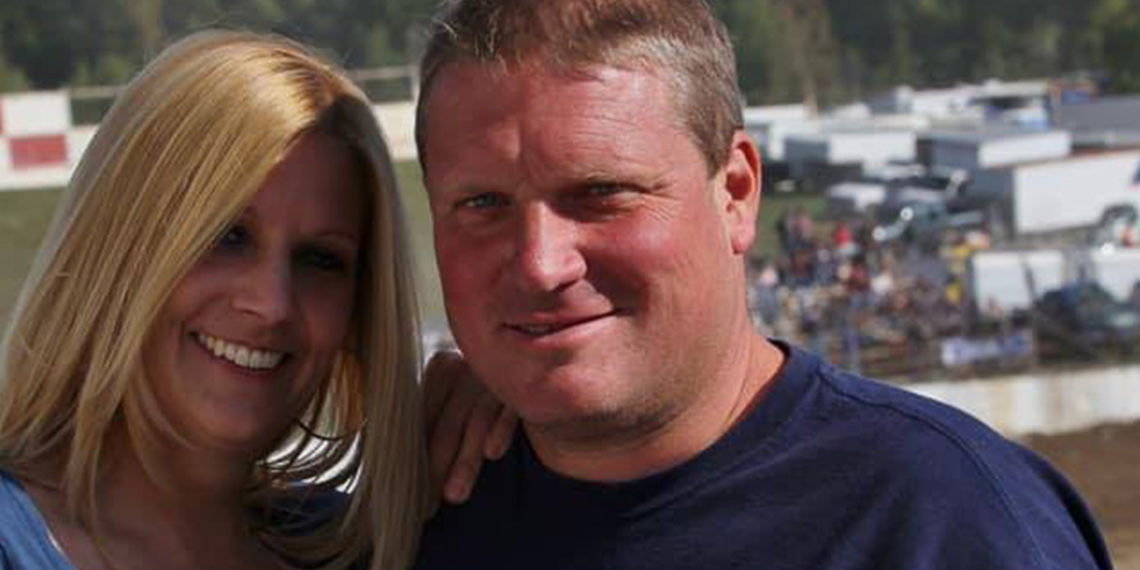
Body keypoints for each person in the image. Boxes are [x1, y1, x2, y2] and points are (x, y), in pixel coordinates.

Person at [412, 1, 1113, 569]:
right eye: (482, 204)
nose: (541, 263)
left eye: (601, 193)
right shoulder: (407, 519)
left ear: (737, 193)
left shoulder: (947, 524)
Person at [0, 30, 504, 570]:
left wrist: (513, 412)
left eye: (320, 260)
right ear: (122, 244)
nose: (272, 304)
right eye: (227, 236)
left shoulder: (378, 546)